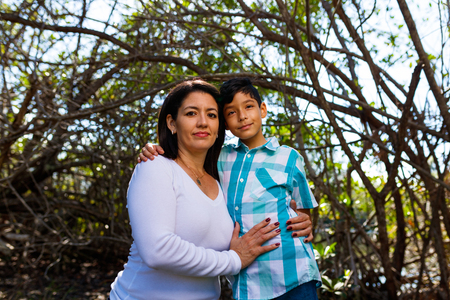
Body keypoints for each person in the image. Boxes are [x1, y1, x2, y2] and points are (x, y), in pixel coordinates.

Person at [140, 78, 321, 300]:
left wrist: (305, 223)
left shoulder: (290, 158)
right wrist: (153, 147)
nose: (243, 116)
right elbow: (185, 160)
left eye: (248, 107)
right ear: (224, 122)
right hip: (246, 282)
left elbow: (302, 208)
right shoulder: (219, 158)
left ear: (262, 109)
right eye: (231, 112)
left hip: (293, 273)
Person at [109, 79, 283, 300]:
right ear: (172, 123)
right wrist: (234, 259)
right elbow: (158, 250)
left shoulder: (222, 179)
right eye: (191, 113)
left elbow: (255, 205)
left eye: (211, 115)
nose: (203, 122)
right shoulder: (156, 167)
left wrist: (294, 213)